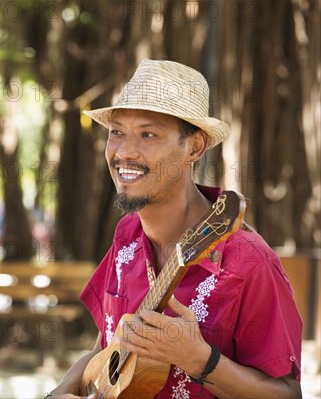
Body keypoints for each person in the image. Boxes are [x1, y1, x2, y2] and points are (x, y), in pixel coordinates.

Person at [47, 60, 302, 398]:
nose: (124, 151)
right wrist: (58, 392)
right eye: (117, 132)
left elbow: (288, 394)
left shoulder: (249, 263)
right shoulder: (127, 237)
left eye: (148, 134)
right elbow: (104, 348)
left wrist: (201, 361)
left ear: (194, 147)